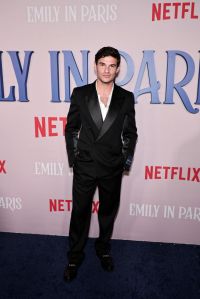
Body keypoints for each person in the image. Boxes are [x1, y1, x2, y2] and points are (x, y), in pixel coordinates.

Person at [64, 46, 138, 282]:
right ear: (95, 65)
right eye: (102, 64)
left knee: (107, 213)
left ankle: (103, 249)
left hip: (111, 167)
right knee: (80, 213)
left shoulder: (126, 97)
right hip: (85, 165)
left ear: (117, 69)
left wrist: (123, 163)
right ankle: (75, 255)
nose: (107, 69)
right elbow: (72, 128)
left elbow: (130, 133)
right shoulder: (80, 93)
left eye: (112, 65)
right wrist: (75, 159)